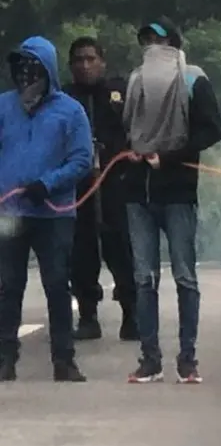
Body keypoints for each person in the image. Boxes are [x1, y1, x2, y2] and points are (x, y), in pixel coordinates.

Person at [121, 19, 221, 385]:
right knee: (143, 278)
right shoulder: (134, 81)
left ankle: (187, 359)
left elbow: (212, 129)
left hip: (178, 189)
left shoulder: (194, 79)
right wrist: (130, 153)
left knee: (185, 276)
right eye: (146, 41)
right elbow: (124, 129)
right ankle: (150, 359)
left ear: (174, 44)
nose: (152, 47)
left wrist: (167, 156)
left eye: (158, 40)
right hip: (138, 192)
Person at [0, 36, 94, 382]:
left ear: (47, 72)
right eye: (20, 69)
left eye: (33, 69)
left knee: (57, 283)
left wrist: (48, 183)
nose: (26, 77)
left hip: (54, 212)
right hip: (10, 210)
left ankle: (64, 360)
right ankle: (5, 358)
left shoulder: (70, 111)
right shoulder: (3, 107)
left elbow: (82, 159)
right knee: (8, 285)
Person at [65, 37, 139, 342]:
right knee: (80, 251)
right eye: (79, 60)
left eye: (91, 59)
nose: (85, 65)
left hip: (115, 183)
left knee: (121, 249)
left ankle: (132, 315)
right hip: (77, 187)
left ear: (102, 61)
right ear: (71, 66)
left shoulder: (120, 93)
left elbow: (138, 129)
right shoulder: (64, 99)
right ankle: (87, 315)